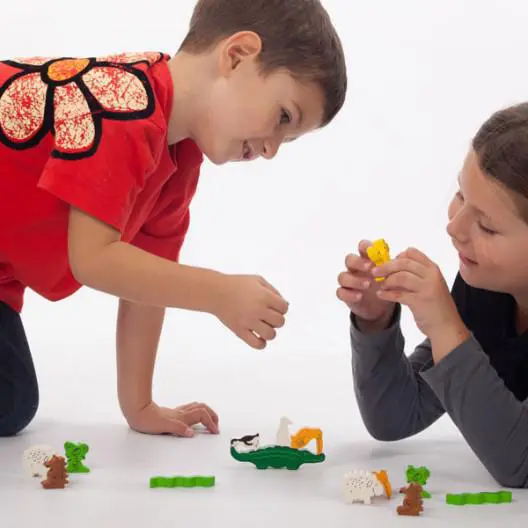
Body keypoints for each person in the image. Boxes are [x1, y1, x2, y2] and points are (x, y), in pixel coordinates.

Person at [0, 0, 347, 437]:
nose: (271, 149)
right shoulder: (121, 106)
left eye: (288, 139)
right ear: (237, 55)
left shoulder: (179, 159)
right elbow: (93, 259)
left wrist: (140, 406)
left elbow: (146, 282)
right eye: (283, 117)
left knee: (10, 402)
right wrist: (219, 293)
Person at [337, 102, 528, 489]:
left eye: (487, 226)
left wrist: (445, 326)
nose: (454, 227)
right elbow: (395, 415)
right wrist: (376, 322)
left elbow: (519, 463)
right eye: (461, 195)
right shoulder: (485, 292)